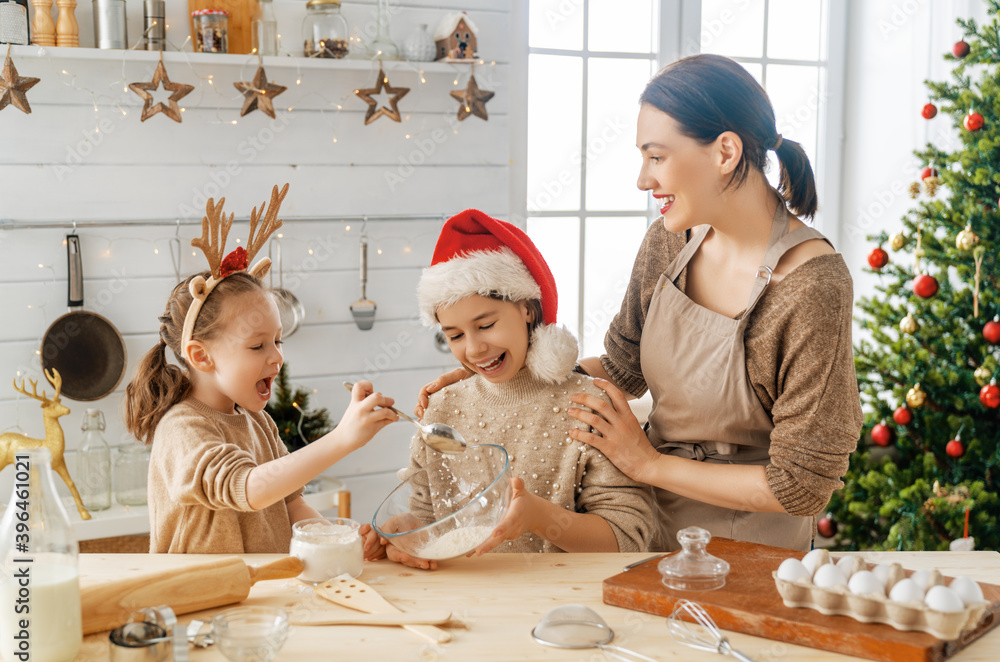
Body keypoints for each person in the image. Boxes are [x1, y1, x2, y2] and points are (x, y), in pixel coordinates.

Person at [417, 55, 863, 552]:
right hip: (647, 526)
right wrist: (501, 378)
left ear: (726, 152)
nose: (642, 180)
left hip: (747, 554)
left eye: (656, 157)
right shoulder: (670, 242)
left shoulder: (811, 284)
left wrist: (648, 464)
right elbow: (622, 370)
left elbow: (800, 486)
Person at [369, 209, 655, 570]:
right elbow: (427, 519)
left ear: (526, 309)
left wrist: (540, 517)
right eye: (454, 335)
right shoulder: (441, 410)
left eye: (486, 325)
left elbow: (630, 538)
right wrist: (405, 532)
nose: (473, 349)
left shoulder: (588, 406)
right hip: (460, 605)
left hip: (561, 608)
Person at [124, 188, 396, 554]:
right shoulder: (182, 429)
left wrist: (340, 543)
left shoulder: (259, 423)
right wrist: (342, 438)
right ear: (202, 356)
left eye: (278, 341)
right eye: (257, 346)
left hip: (265, 596)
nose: (276, 358)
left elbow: (290, 505)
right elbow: (249, 488)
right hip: (204, 603)